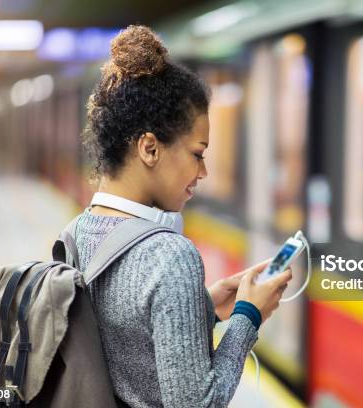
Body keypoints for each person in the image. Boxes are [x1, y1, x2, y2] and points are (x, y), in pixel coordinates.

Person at [74, 25, 292, 407]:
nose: (203, 172)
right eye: (197, 153)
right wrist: (248, 316)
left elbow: (123, 340)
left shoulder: (78, 230)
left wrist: (201, 307)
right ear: (150, 148)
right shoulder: (171, 257)